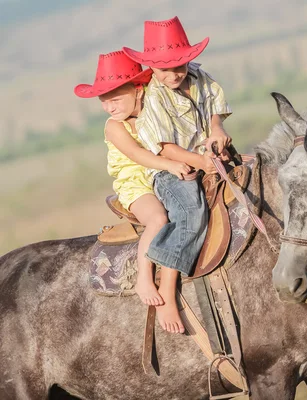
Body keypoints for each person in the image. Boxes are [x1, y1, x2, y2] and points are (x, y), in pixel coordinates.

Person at [122, 16, 233, 334]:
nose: (174, 73)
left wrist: (217, 131)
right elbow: (165, 149)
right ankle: (168, 292)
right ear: (152, 69)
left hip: (207, 157)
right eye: (165, 68)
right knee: (191, 213)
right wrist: (200, 161)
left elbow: (215, 110)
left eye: (179, 65)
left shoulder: (198, 76)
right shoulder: (154, 98)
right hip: (173, 170)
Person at [74, 51, 192, 310]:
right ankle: (144, 278)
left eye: (115, 99)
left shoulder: (156, 109)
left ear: (139, 89)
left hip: (161, 175)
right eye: (104, 101)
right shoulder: (114, 126)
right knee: (158, 219)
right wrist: (171, 164)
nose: (109, 107)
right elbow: (137, 154)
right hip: (136, 183)